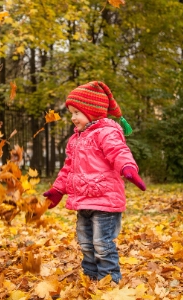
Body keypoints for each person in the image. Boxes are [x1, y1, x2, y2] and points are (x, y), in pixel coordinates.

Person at [43, 81, 146, 284]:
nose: (72, 118)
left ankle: (109, 281)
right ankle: (90, 279)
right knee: (86, 243)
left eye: (76, 112)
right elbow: (68, 168)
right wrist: (58, 189)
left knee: (102, 244)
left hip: (105, 202)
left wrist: (128, 168)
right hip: (83, 201)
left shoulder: (106, 132)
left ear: (92, 111)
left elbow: (119, 152)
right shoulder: (76, 139)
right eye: (71, 112)